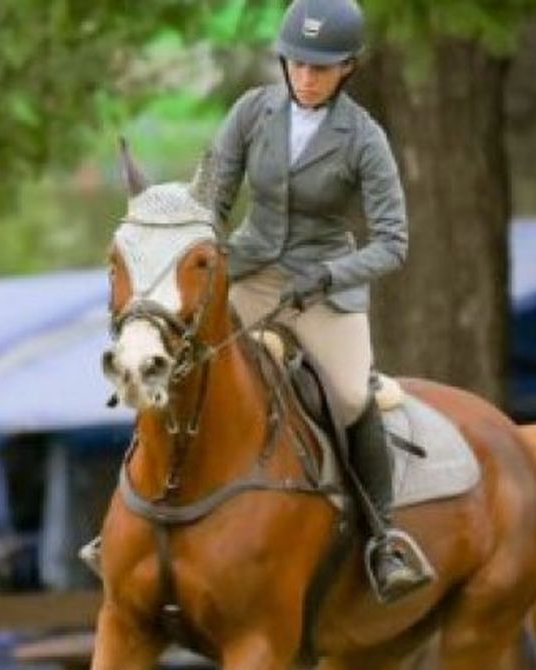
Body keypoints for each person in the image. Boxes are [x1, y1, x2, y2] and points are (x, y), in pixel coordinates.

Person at [204, 0, 429, 604]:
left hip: (325, 286)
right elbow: (214, 198)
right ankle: (131, 515)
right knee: (177, 359)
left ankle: (384, 540)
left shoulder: (365, 138)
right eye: (297, 63)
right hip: (250, 272)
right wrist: (201, 251)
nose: (305, 78)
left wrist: (329, 275)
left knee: (354, 397)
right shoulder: (253, 111)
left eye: (320, 68)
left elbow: (393, 244)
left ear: (348, 68)